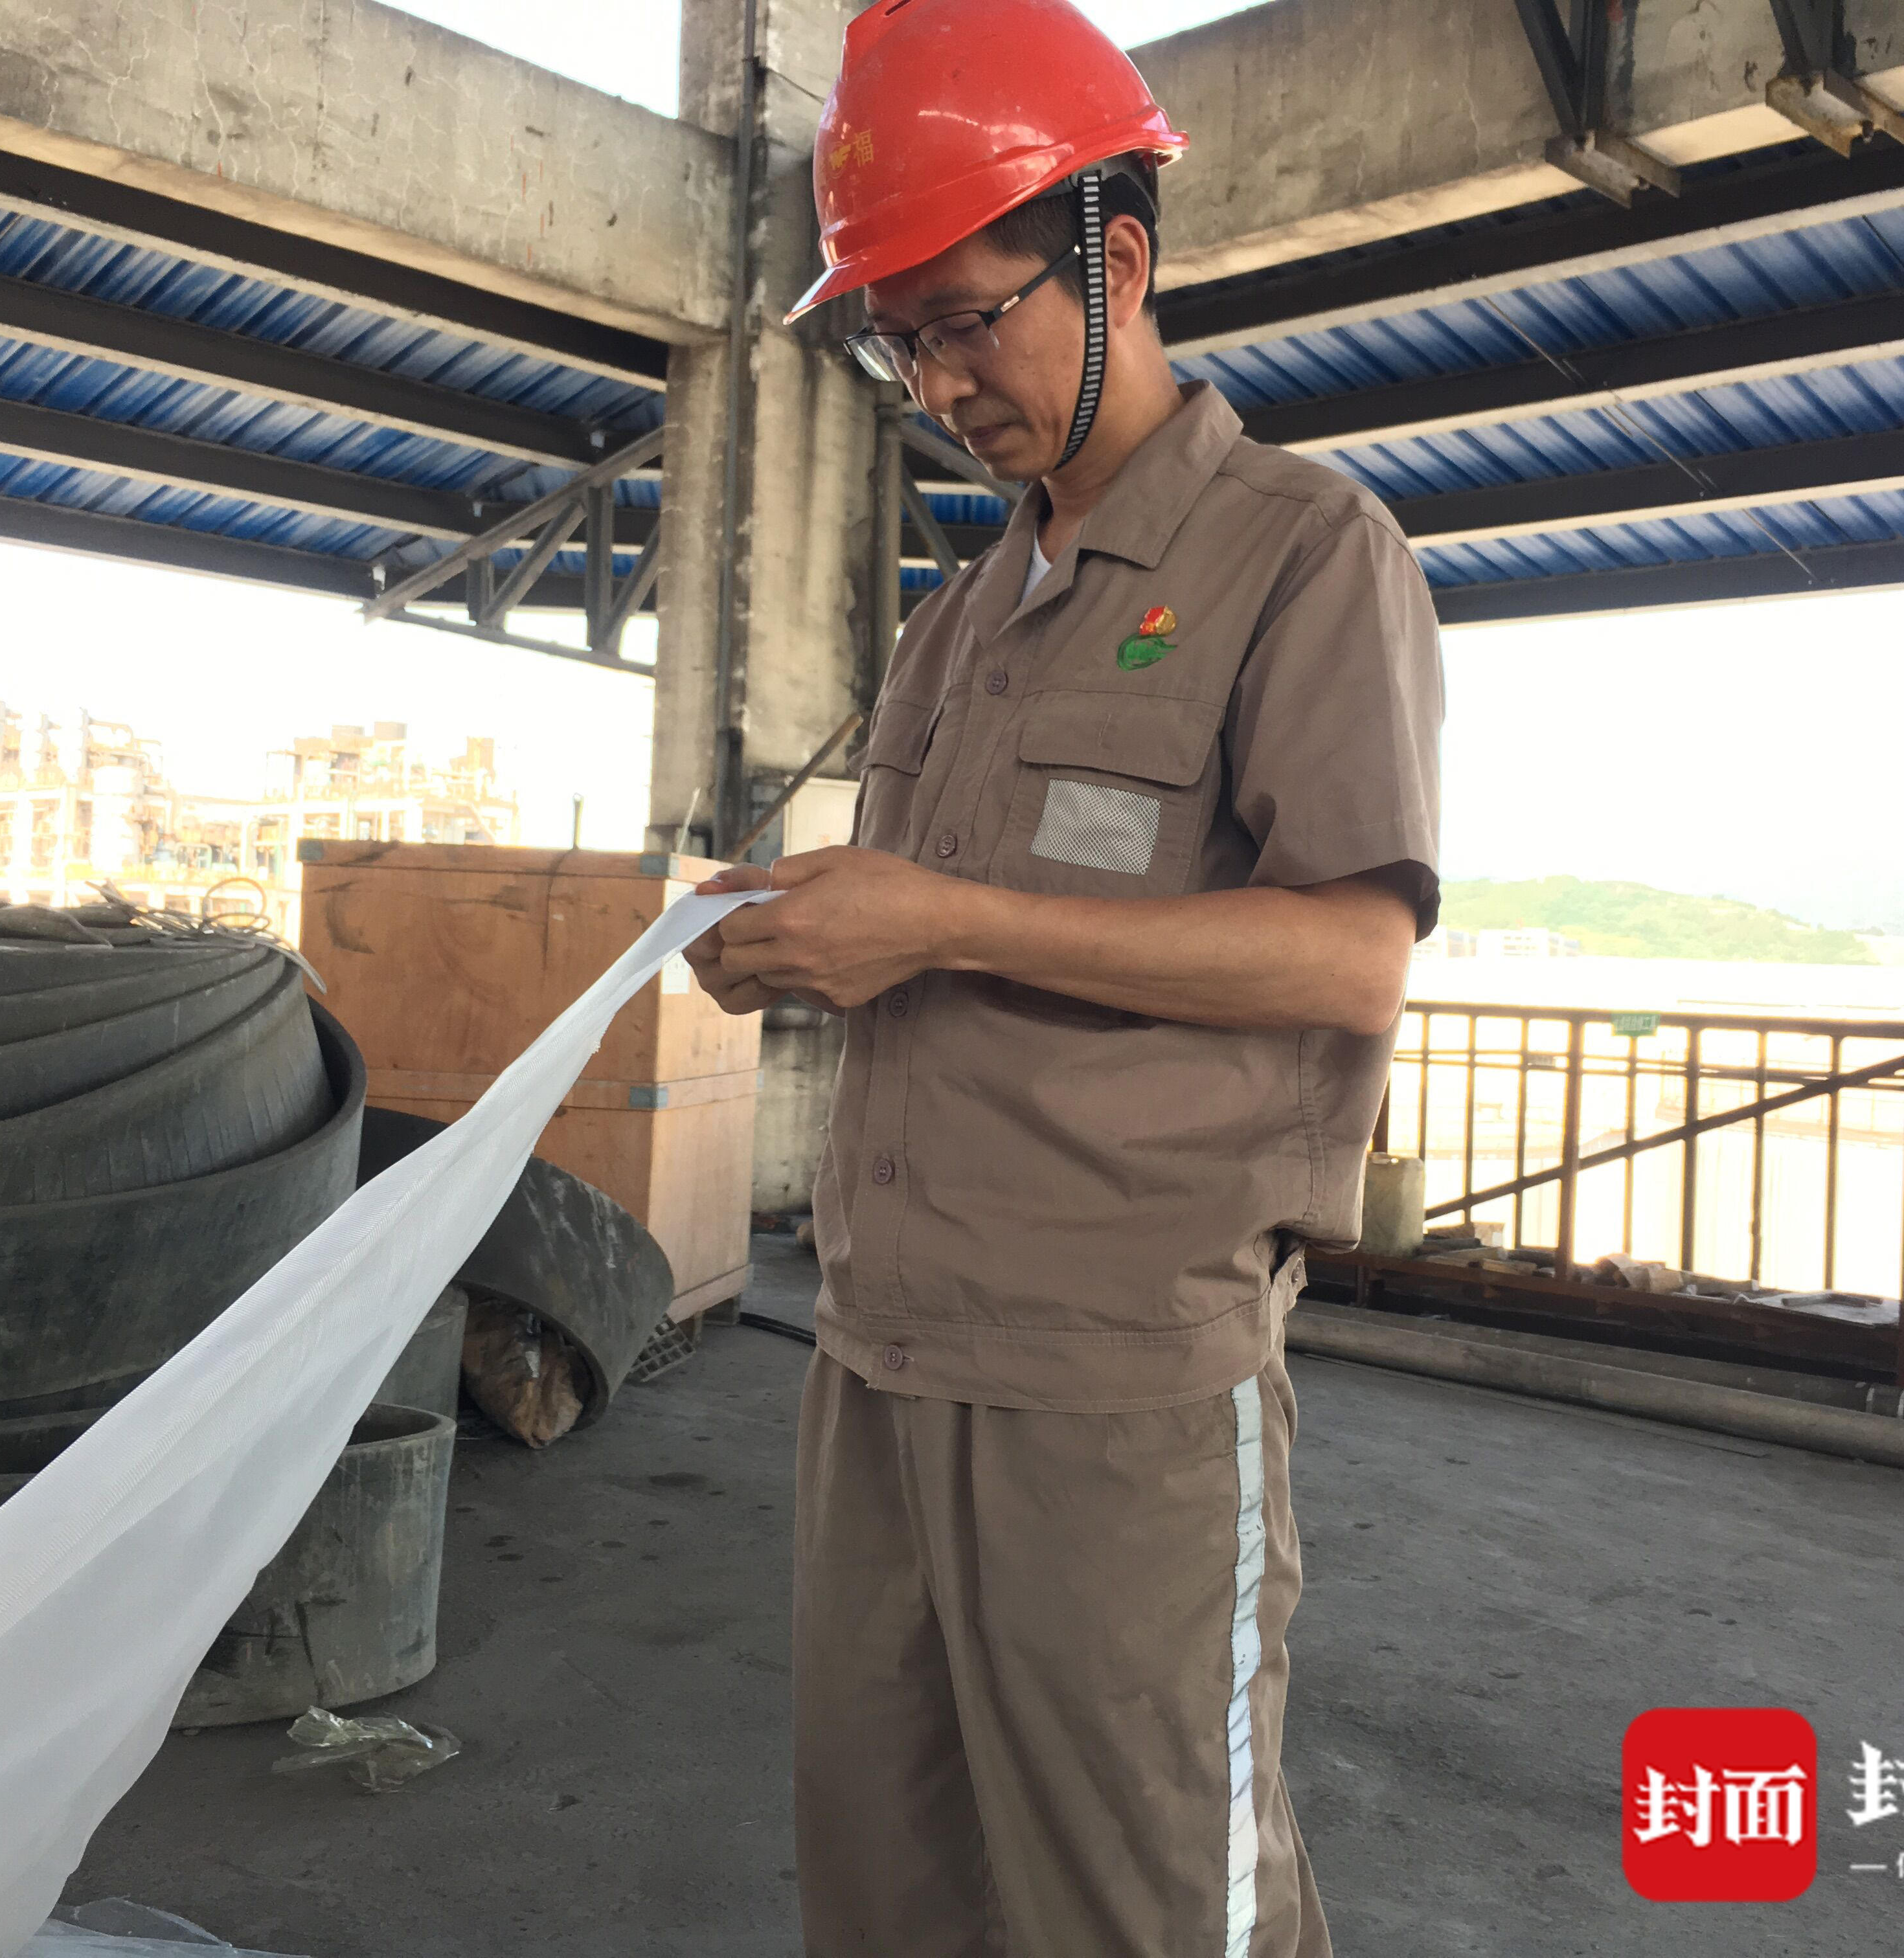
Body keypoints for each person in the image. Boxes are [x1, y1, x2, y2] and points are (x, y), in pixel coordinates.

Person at [685, 3, 1444, 1952]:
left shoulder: (1306, 556)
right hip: (877, 1352)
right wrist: (807, 939)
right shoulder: (964, 618)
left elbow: (1352, 957)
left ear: (1115, 259)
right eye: (900, 342)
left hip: (1114, 1387)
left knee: (1142, 1908)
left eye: (966, 320)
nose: (939, 382)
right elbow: (930, 928)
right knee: (891, 1894)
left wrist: (940, 922)